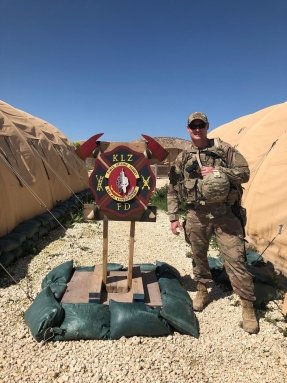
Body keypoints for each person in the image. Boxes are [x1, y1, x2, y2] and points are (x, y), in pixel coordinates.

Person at [167, 111, 259, 334]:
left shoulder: (223, 150)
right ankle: (202, 289)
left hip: (225, 215)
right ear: (188, 129)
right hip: (196, 215)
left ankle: (248, 307)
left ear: (207, 126)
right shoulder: (183, 157)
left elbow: (245, 173)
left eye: (201, 125)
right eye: (193, 126)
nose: (197, 129)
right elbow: (172, 187)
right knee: (199, 255)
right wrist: (173, 216)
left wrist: (220, 171)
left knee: (236, 258)